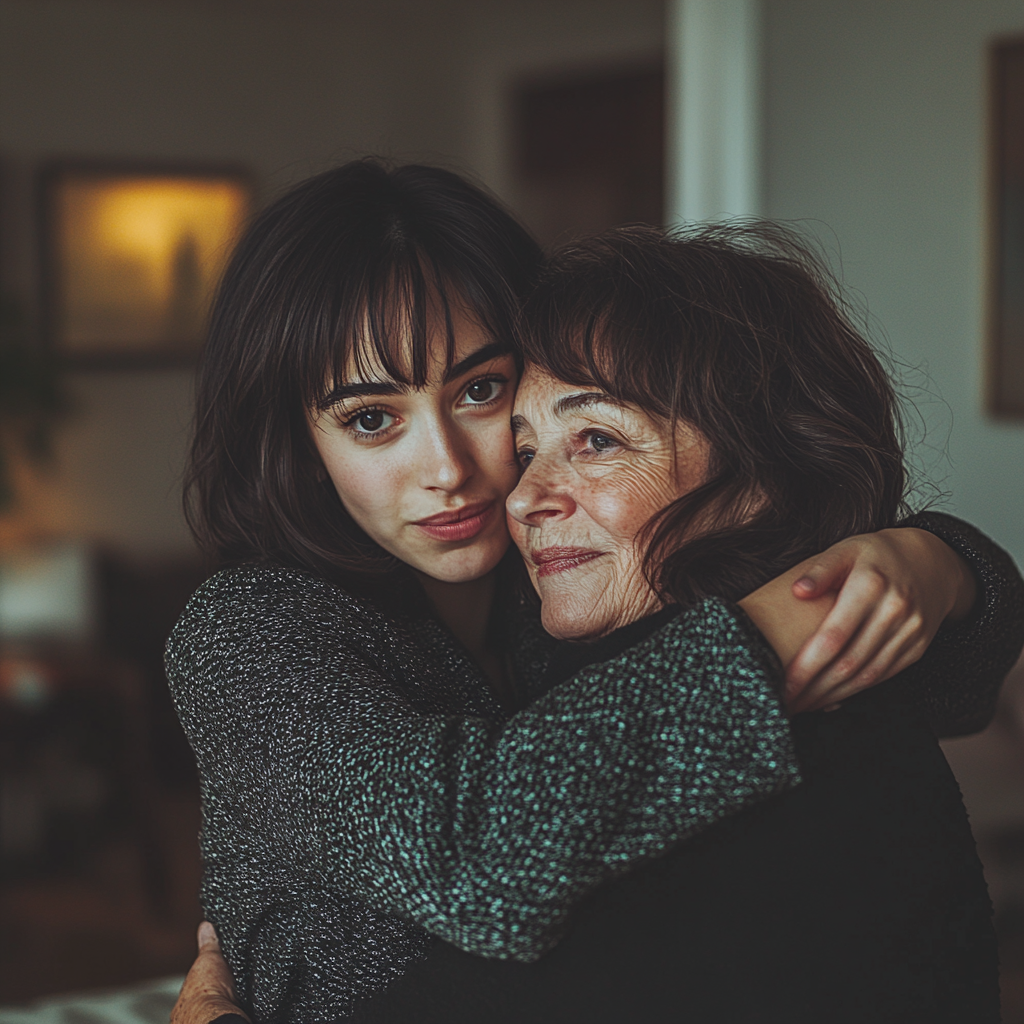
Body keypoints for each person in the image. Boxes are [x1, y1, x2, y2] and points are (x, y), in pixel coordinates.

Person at [165, 162, 1020, 1024]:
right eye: (371, 419)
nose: (451, 471)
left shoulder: (570, 581)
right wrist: (767, 629)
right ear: (298, 438)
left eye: (481, 391)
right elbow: (472, 860)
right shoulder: (249, 634)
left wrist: (941, 563)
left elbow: (942, 691)